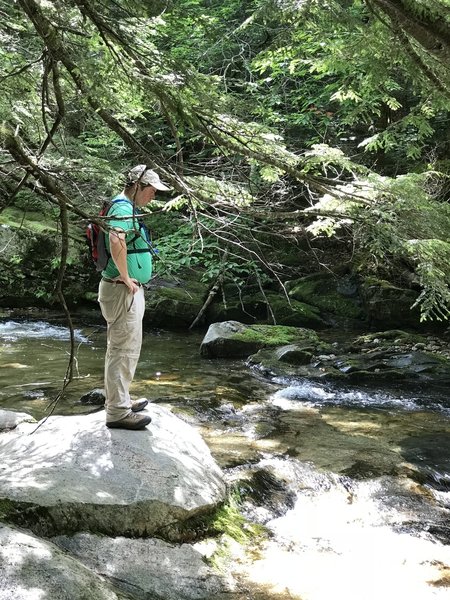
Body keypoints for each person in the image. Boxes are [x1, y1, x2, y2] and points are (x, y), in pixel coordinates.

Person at [98, 165, 170, 430]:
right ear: (137, 186)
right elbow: (117, 240)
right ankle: (117, 412)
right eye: (151, 190)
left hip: (121, 290)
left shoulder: (124, 207)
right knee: (122, 350)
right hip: (121, 290)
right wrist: (127, 279)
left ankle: (121, 400)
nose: (153, 196)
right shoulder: (123, 208)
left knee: (123, 348)